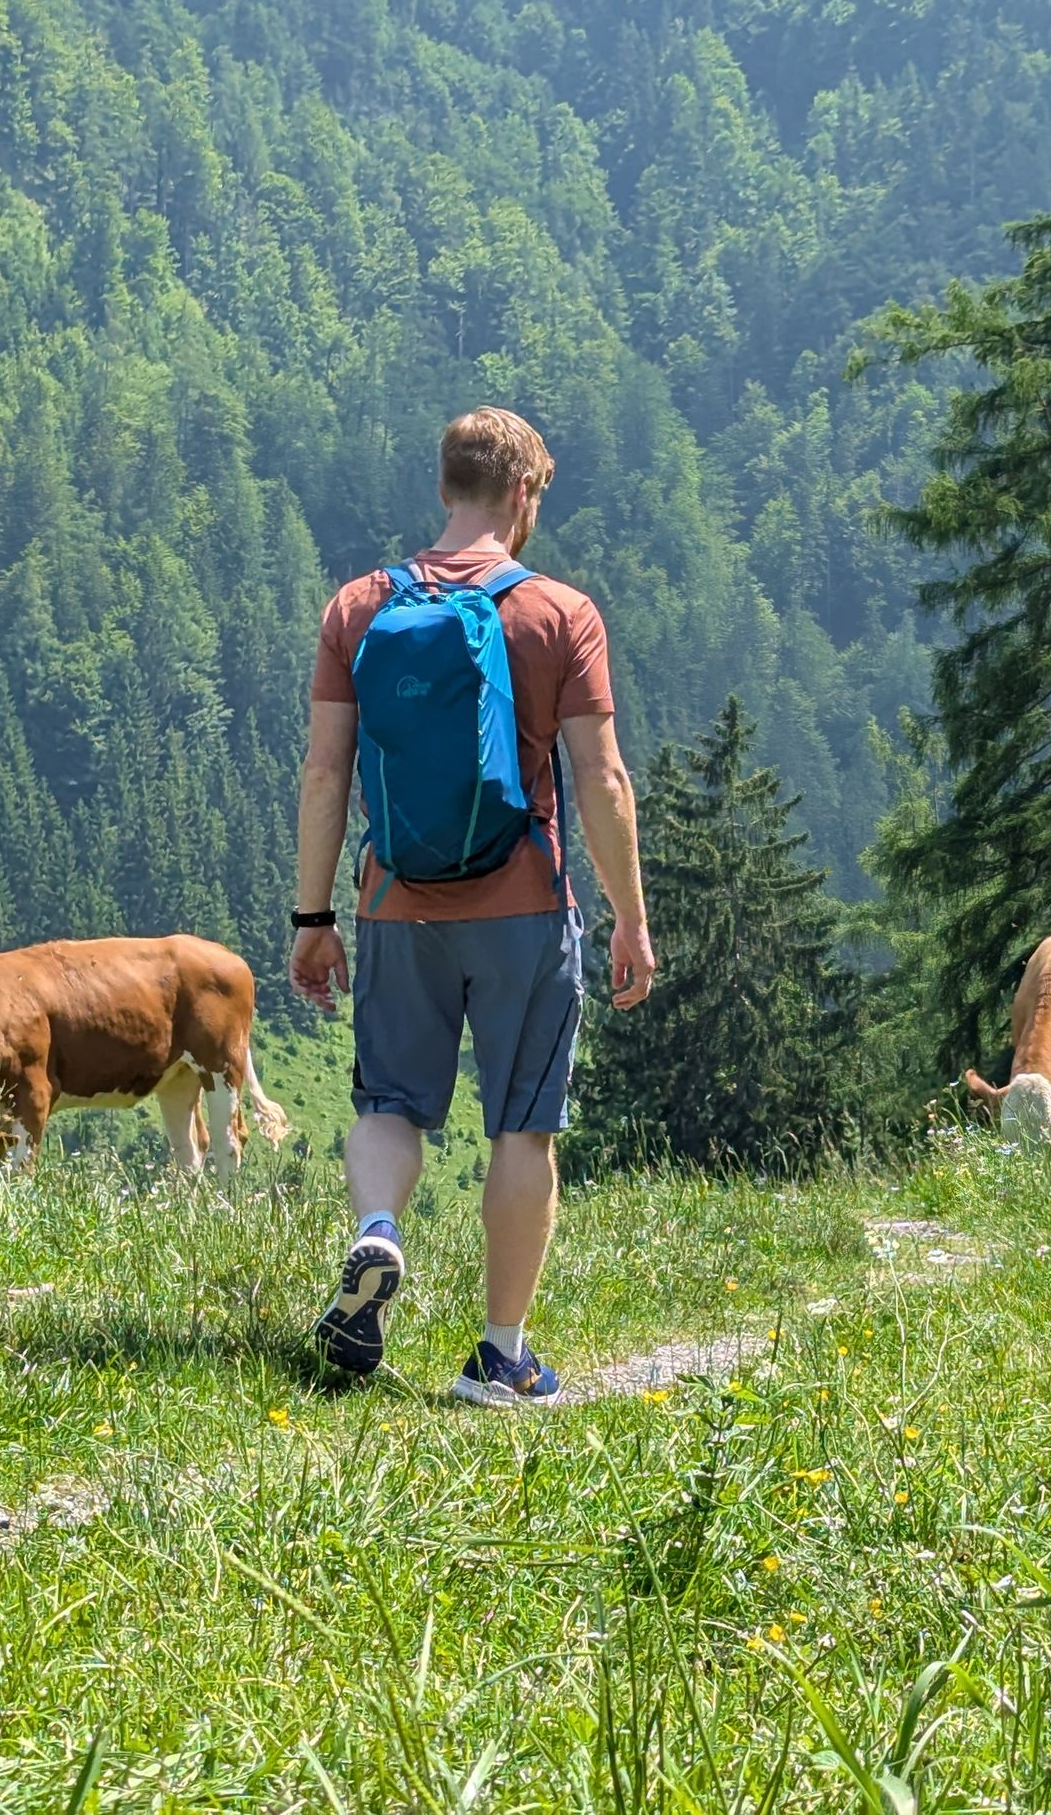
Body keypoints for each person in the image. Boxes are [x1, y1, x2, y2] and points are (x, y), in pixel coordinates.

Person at [289, 407, 655, 1404]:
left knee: (389, 1102)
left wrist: (312, 918)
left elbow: (326, 776)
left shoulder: (359, 607)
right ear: (524, 493)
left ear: (446, 485)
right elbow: (603, 778)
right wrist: (628, 913)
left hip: (395, 905)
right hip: (526, 911)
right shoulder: (558, 612)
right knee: (520, 1129)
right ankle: (501, 1357)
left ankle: (378, 1229)